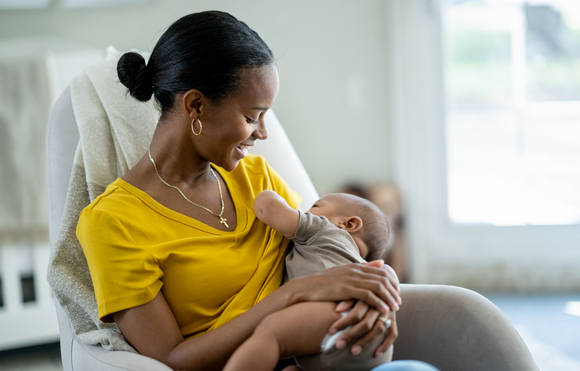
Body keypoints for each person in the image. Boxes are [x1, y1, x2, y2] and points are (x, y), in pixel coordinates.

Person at [77, 10, 438, 371]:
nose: (262, 133)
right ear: (195, 105)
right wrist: (293, 295)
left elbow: (325, 248)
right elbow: (170, 359)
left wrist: (376, 278)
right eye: (252, 117)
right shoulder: (113, 222)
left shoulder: (257, 178)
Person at [223, 190, 393, 371]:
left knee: (270, 332)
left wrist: (269, 194)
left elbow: (267, 208)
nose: (304, 212)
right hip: (374, 345)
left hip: (337, 315)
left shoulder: (325, 230)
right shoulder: (358, 262)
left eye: (315, 206)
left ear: (348, 223)